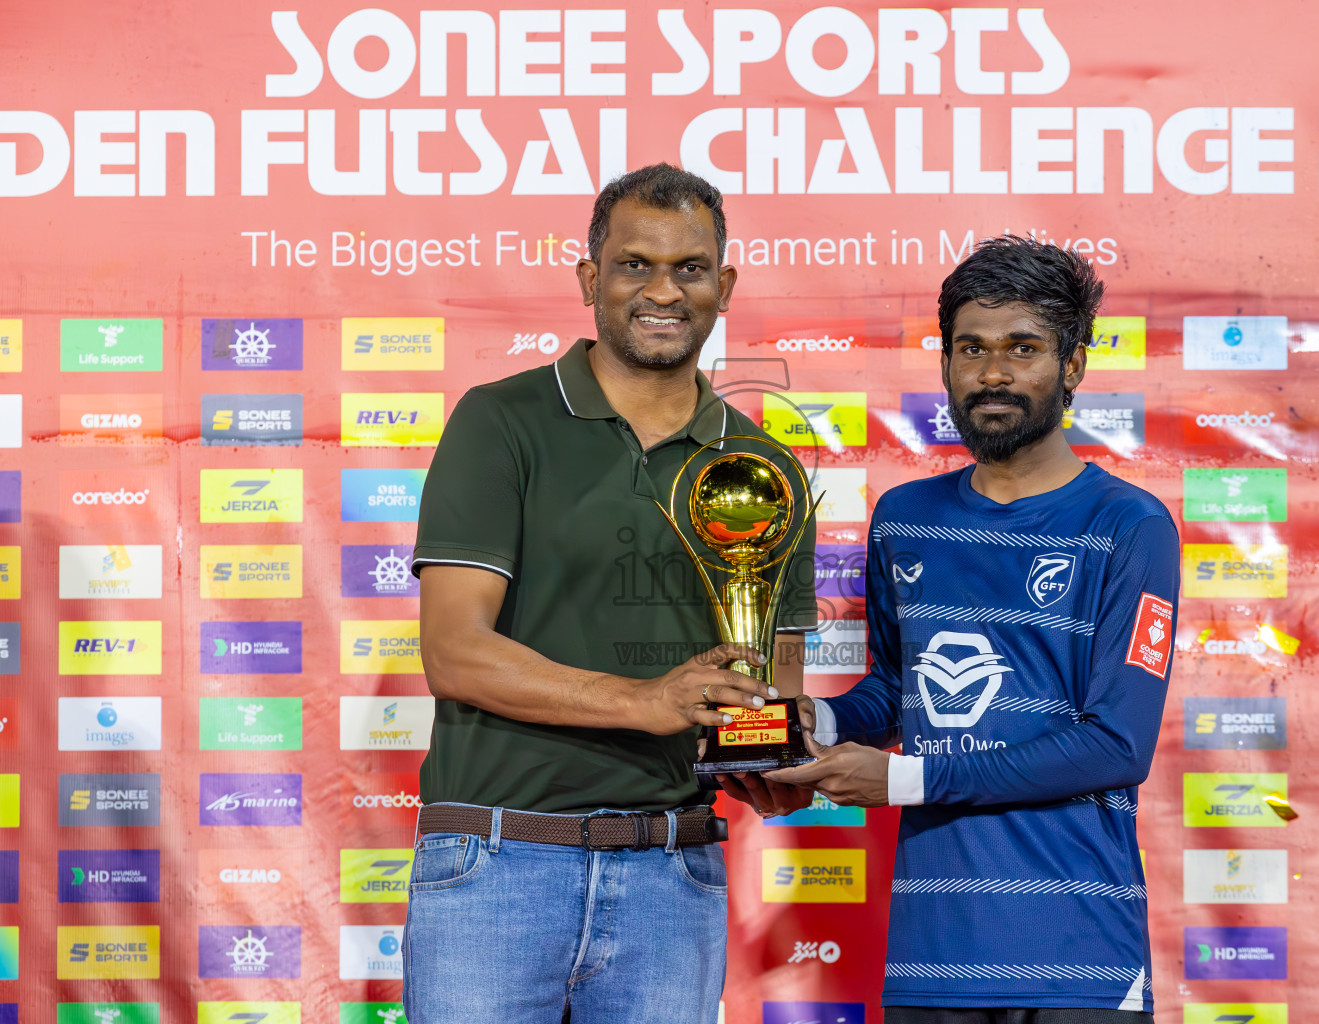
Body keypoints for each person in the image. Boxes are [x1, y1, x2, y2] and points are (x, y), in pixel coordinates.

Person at [402, 163, 816, 1024]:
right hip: (497, 861)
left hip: (674, 873)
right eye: (636, 265)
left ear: (724, 284)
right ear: (592, 279)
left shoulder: (765, 465)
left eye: (690, 269)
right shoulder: (502, 421)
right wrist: (645, 700)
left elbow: (777, 674)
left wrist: (769, 756)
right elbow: (453, 651)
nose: (663, 291)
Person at [768, 236, 1179, 1022]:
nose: (992, 373)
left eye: (1022, 348)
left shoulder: (1131, 525)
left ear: (1075, 365)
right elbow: (896, 694)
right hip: (932, 957)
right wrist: (800, 722)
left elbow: (1118, 744)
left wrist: (902, 782)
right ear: (947, 363)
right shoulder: (906, 518)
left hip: (1079, 960)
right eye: (971, 348)